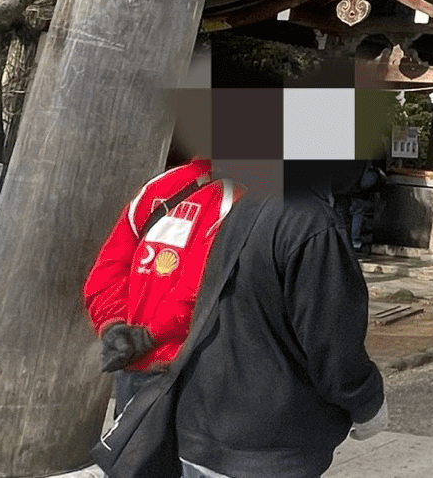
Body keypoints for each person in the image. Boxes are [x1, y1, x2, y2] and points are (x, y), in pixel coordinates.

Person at [173, 163, 388, 478]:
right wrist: (368, 403)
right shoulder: (313, 225)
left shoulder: (242, 207)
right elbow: (332, 344)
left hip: (204, 426)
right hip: (267, 447)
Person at [82, 143, 235, 416]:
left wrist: (117, 329)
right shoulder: (241, 200)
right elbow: (200, 288)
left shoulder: (158, 187)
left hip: (133, 364)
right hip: (187, 369)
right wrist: (145, 336)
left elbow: (107, 270)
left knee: (130, 454)